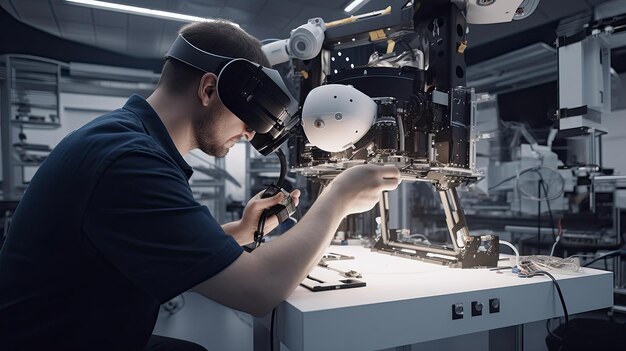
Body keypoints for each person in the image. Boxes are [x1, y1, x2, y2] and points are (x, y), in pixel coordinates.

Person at [0, 19, 400, 350]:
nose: (248, 133)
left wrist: (240, 233)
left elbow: (147, 242)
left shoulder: (127, 140)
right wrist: (337, 198)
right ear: (209, 90)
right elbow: (257, 291)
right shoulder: (128, 161)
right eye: (247, 117)